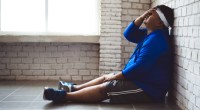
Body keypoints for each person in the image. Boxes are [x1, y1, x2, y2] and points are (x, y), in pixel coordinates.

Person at [43, 5, 174, 103]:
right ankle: (74, 88)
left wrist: (118, 76)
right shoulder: (149, 34)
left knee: (108, 86)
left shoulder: (157, 40)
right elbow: (128, 34)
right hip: (140, 79)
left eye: (151, 14)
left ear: (159, 23)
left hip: (149, 89)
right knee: (107, 76)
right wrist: (141, 17)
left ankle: (64, 96)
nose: (146, 15)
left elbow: (139, 66)